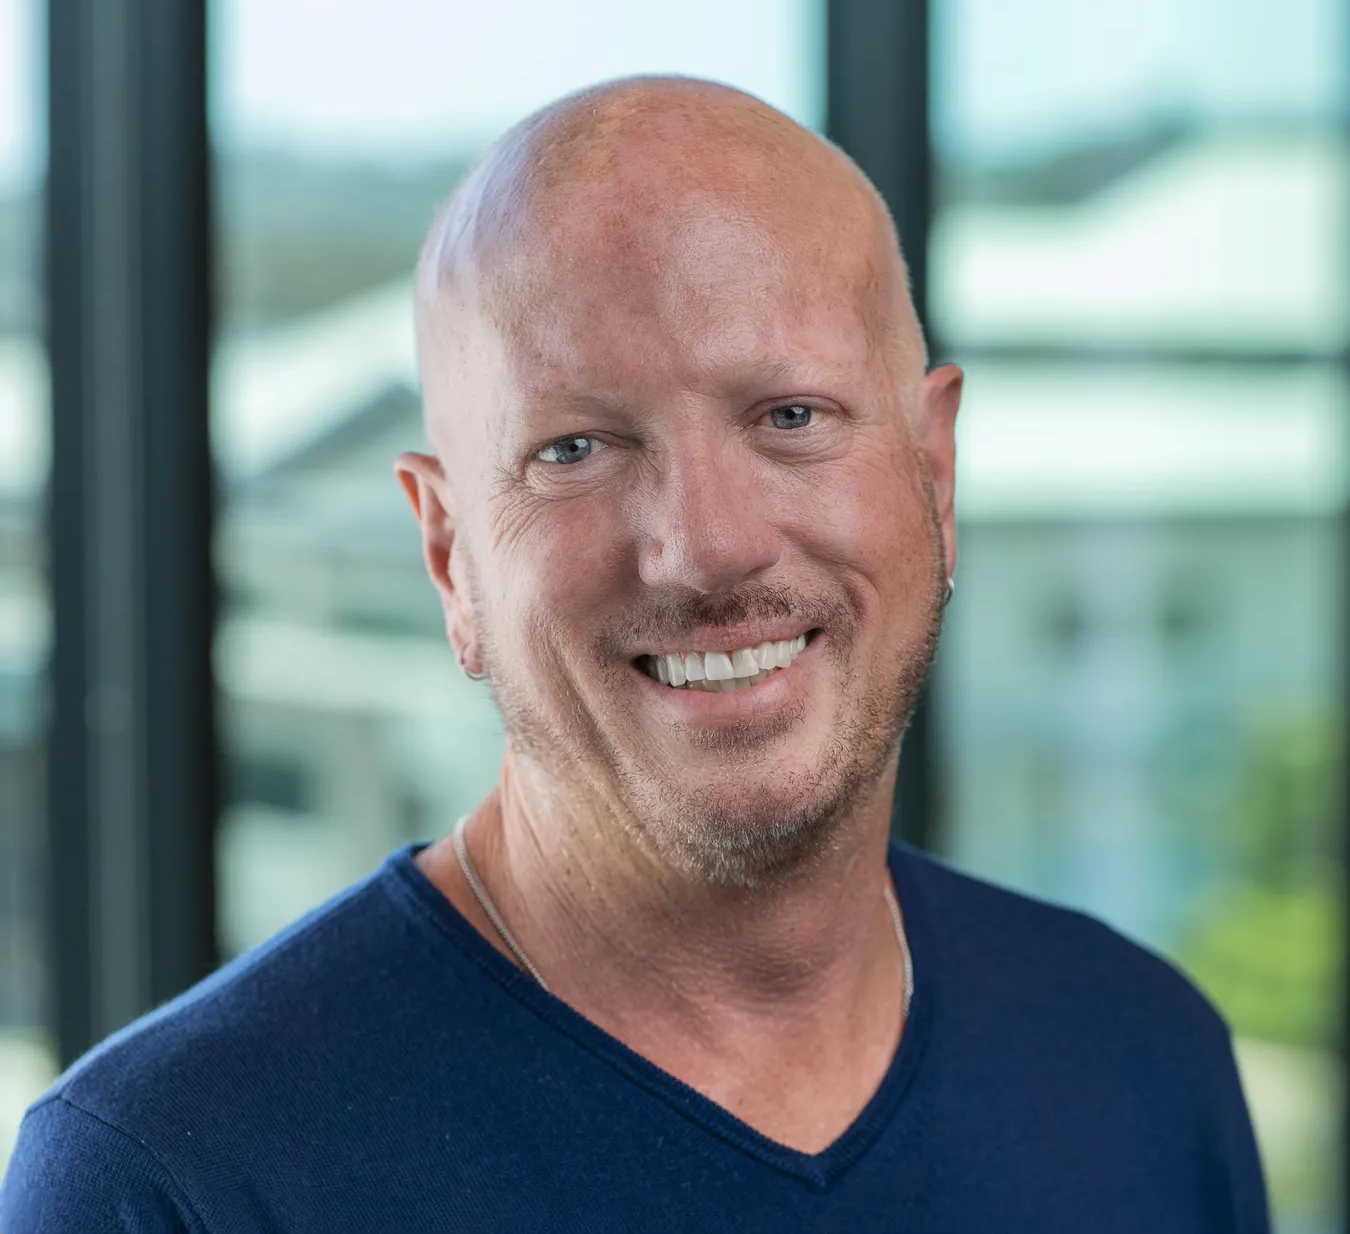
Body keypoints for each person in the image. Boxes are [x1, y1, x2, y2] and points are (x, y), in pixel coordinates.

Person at [1, 76, 1268, 1231]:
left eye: (790, 417)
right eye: (575, 450)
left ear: (933, 473)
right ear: (450, 557)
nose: (706, 548)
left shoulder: (1141, 1062)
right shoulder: (173, 1179)